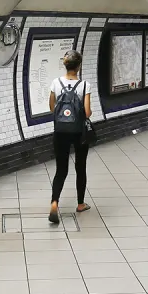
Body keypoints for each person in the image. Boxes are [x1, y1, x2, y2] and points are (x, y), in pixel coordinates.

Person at [48, 49, 93, 223]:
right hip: (78, 132)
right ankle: (80, 204)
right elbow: (87, 113)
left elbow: (52, 108)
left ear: (65, 65)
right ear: (79, 66)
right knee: (80, 168)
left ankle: (54, 203)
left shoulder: (55, 83)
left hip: (60, 131)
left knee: (61, 170)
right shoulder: (84, 85)